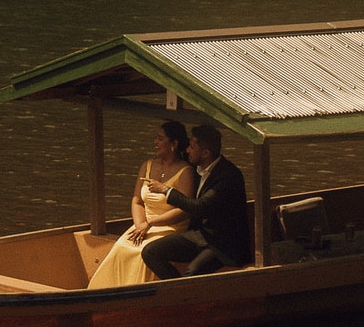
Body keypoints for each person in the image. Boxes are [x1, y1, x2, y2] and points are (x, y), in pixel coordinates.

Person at [86, 120, 198, 289]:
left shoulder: (185, 171)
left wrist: (150, 224)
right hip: (143, 223)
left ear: (174, 143)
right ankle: (108, 292)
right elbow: (137, 200)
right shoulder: (147, 165)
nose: (156, 142)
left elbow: (183, 210)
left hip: (169, 226)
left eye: (160, 139)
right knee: (122, 247)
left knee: (141, 252)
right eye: (156, 138)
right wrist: (139, 224)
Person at [140, 121, 252, 279]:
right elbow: (174, 150)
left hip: (224, 244)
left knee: (191, 274)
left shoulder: (227, 177)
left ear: (205, 153)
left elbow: (200, 207)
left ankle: (179, 294)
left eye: (192, 147)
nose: (187, 150)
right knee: (150, 251)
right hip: (200, 235)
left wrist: (165, 190)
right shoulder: (198, 166)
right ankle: (176, 289)